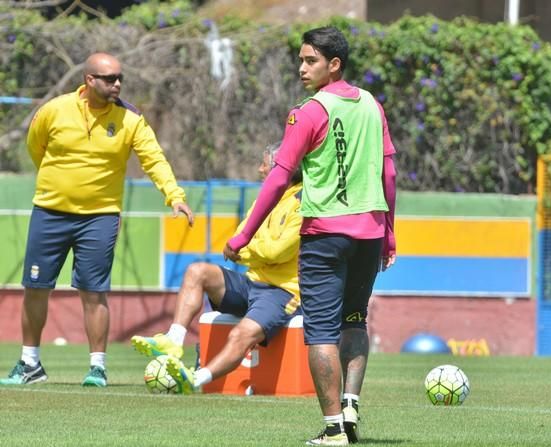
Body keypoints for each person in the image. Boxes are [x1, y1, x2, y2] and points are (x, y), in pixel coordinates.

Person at [222, 27, 397, 446]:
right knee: (355, 320)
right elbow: (388, 172)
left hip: (324, 234)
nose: (302, 68)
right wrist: (389, 232)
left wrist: (244, 234)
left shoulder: (309, 111)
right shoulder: (373, 106)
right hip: (369, 234)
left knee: (320, 331)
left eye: (310, 60)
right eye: (301, 60)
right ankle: (350, 403)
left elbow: (280, 175)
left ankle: (334, 428)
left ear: (333, 64)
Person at [0, 52, 194, 388]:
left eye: (119, 78)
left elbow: (154, 159)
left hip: (100, 217)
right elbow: (36, 148)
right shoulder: (53, 110)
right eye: (108, 79)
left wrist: (174, 196)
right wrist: (57, 181)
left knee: (93, 291)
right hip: (49, 212)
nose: (116, 84)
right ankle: (30, 363)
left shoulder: (130, 119)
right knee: (35, 287)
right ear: (89, 80)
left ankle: (97, 368)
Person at [131, 143, 303, 394]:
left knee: (240, 335)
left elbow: (276, 251)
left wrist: (249, 250)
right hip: (251, 282)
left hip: (283, 293)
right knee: (197, 271)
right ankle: (174, 341)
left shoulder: (303, 201)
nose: (259, 169)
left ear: (282, 168)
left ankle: (195, 379)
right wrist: (252, 250)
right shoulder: (265, 199)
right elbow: (237, 239)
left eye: (265, 164)